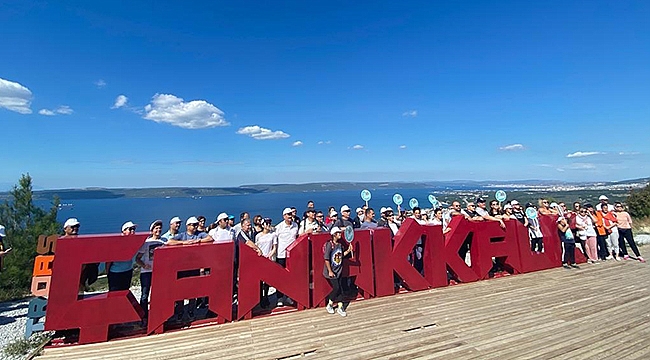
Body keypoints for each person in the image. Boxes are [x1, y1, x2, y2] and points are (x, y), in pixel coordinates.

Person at [166, 216, 212, 319]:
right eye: (193, 225)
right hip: (183, 267)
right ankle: (180, 311)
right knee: (180, 290)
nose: (195, 227)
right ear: (188, 226)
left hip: (194, 266)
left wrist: (198, 241)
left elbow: (210, 238)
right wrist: (183, 243)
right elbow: (169, 242)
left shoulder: (199, 235)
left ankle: (191, 310)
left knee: (193, 290)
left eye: (196, 225)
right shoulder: (182, 235)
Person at [135, 220, 166, 321]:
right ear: (152, 230)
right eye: (156, 228)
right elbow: (137, 258)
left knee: (158, 294)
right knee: (144, 295)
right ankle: (143, 315)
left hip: (159, 272)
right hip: (146, 273)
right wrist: (144, 265)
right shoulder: (146, 243)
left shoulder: (164, 241)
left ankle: (156, 314)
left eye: (160, 228)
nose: (158, 230)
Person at [323, 226, 354, 317]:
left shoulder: (340, 245)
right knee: (336, 288)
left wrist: (348, 251)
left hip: (339, 270)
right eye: (338, 233)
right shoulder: (330, 245)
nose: (340, 234)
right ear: (334, 235)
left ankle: (340, 307)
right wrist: (330, 271)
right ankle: (330, 303)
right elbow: (327, 258)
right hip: (332, 271)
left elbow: (340, 256)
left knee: (340, 288)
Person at [275, 207, 299, 306]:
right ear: (284, 216)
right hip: (281, 255)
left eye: (291, 214)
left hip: (292, 256)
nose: (290, 216)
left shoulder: (295, 225)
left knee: (292, 277)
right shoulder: (279, 227)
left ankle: (290, 296)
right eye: (288, 214)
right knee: (280, 277)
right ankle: (280, 298)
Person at [107, 221, 137, 291]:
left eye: (134, 229)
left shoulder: (132, 242)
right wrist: (108, 274)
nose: (132, 231)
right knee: (114, 293)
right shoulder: (116, 243)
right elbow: (108, 260)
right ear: (123, 231)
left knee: (125, 291)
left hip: (128, 271)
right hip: (116, 273)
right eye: (130, 229)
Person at [255, 218, 278, 308]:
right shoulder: (258, 236)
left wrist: (270, 255)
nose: (268, 225)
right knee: (260, 280)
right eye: (266, 223)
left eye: (269, 223)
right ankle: (261, 298)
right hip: (260, 259)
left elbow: (274, 247)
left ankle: (266, 296)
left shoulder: (273, 235)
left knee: (267, 280)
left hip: (269, 259)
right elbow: (256, 247)